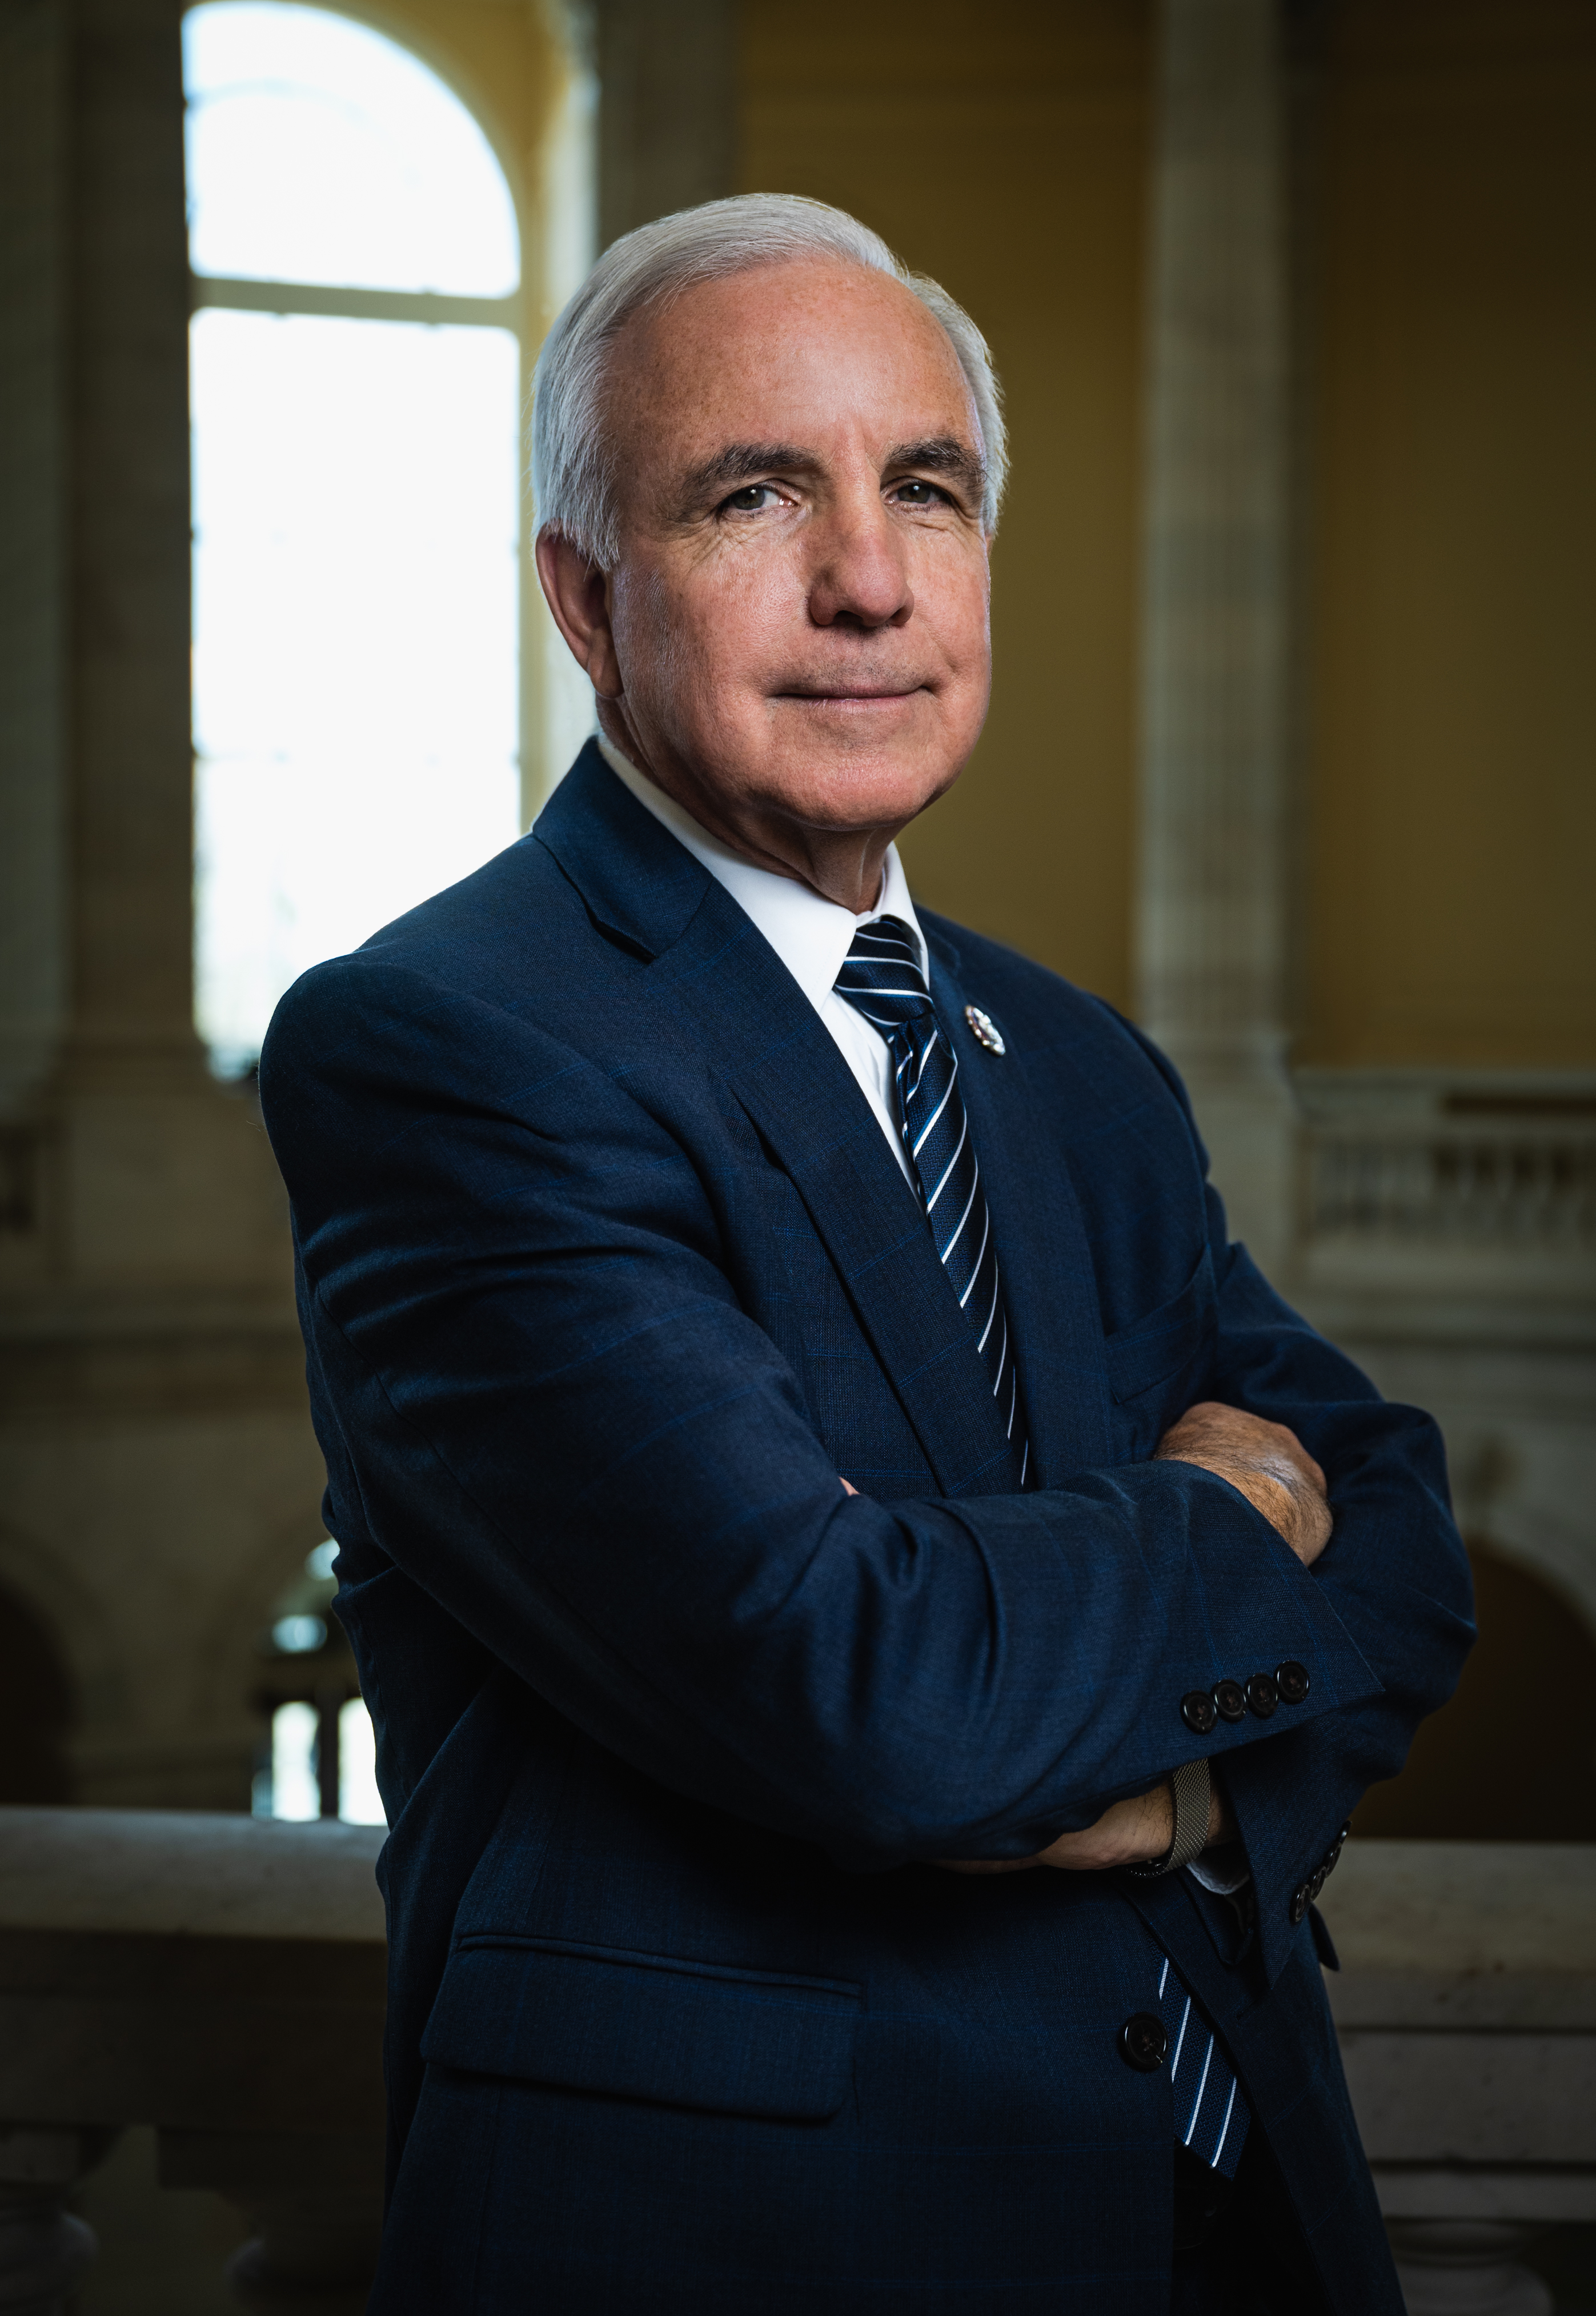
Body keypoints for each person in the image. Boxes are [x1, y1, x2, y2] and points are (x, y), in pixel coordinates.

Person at [259, 194, 1472, 2313]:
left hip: (1227, 2217)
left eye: (929, 487)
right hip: (751, 2249)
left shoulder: (1073, 1060)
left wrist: (1177, 1785)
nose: (871, 579)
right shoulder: (448, 1047)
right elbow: (857, 1685)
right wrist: (1221, 1511)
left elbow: (1399, 1533)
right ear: (583, 593)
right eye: (753, 497)